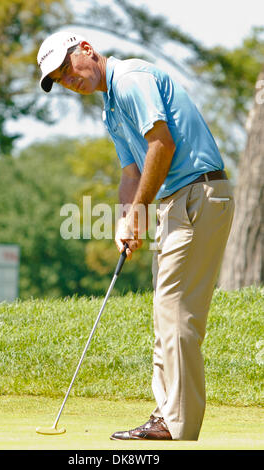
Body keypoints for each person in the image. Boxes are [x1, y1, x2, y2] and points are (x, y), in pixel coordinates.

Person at [37, 31, 234, 441]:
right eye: (59, 79)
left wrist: (140, 211)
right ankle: (167, 413)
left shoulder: (130, 79)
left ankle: (175, 422)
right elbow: (131, 171)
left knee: (176, 311)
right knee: (166, 310)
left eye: (67, 68)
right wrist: (128, 219)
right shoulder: (110, 108)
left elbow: (161, 143)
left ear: (87, 50)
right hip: (175, 201)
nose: (68, 81)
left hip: (197, 192)